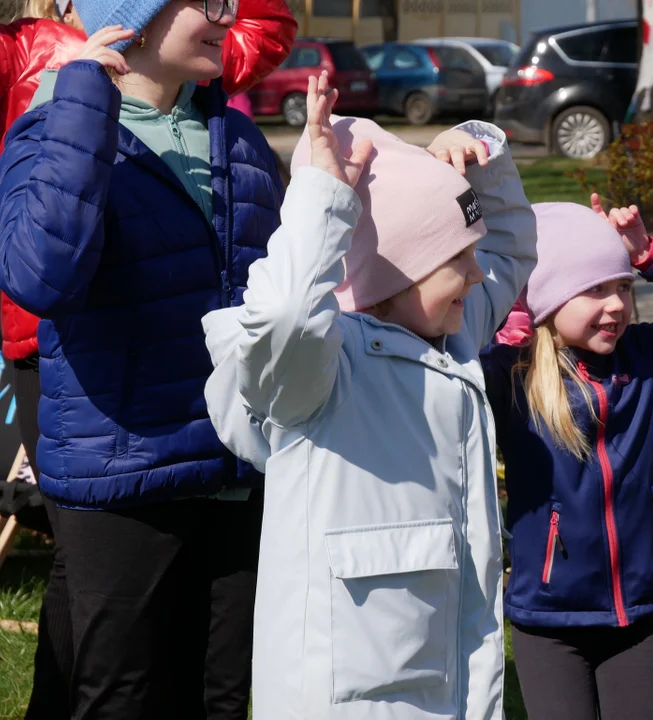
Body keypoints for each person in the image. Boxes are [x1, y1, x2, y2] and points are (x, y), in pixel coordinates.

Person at [201, 72, 536, 719]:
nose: (477, 271)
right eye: (456, 258)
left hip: (443, 689)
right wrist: (322, 198)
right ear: (393, 273)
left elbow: (511, 251)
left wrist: (482, 157)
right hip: (340, 698)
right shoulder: (318, 374)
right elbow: (287, 314)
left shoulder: (448, 336)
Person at [0, 1, 294, 717]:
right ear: (135, 16)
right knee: (120, 698)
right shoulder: (52, 127)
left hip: (233, 473)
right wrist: (79, 108)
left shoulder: (239, 137)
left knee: (220, 698)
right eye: (212, 2)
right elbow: (42, 276)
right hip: (126, 471)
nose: (233, 16)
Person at [481, 197, 653, 719]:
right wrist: (502, 307)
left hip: (638, 612)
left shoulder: (649, 357)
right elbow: (446, 351)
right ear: (547, 298)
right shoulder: (510, 375)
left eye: (624, 287)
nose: (616, 305)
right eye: (594, 289)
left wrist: (649, 254)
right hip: (549, 617)